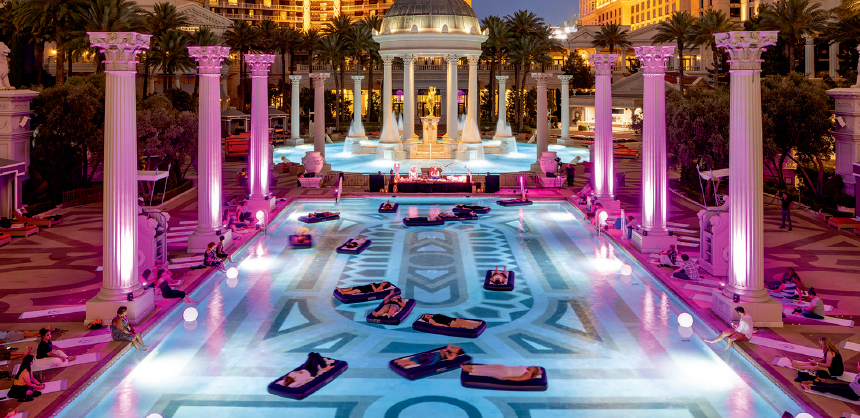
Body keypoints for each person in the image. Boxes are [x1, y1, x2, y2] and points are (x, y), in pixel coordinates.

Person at [393, 345, 463, 369]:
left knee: (422, 360)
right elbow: (450, 345)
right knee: (419, 356)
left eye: (458, 349)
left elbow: (450, 358)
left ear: (458, 352)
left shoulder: (454, 354)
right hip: (434, 354)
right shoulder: (451, 348)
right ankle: (402, 361)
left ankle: (405, 363)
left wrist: (447, 352)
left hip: (437, 357)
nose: (456, 347)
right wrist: (452, 348)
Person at [460, 364, 543, 381]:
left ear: (534, 369)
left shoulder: (528, 374)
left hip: (504, 374)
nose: (532, 366)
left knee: (486, 371)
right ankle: (467, 366)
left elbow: (519, 379)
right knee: (486, 366)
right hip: (504, 367)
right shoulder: (526, 368)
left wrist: (508, 378)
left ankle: (467, 369)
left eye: (534, 366)